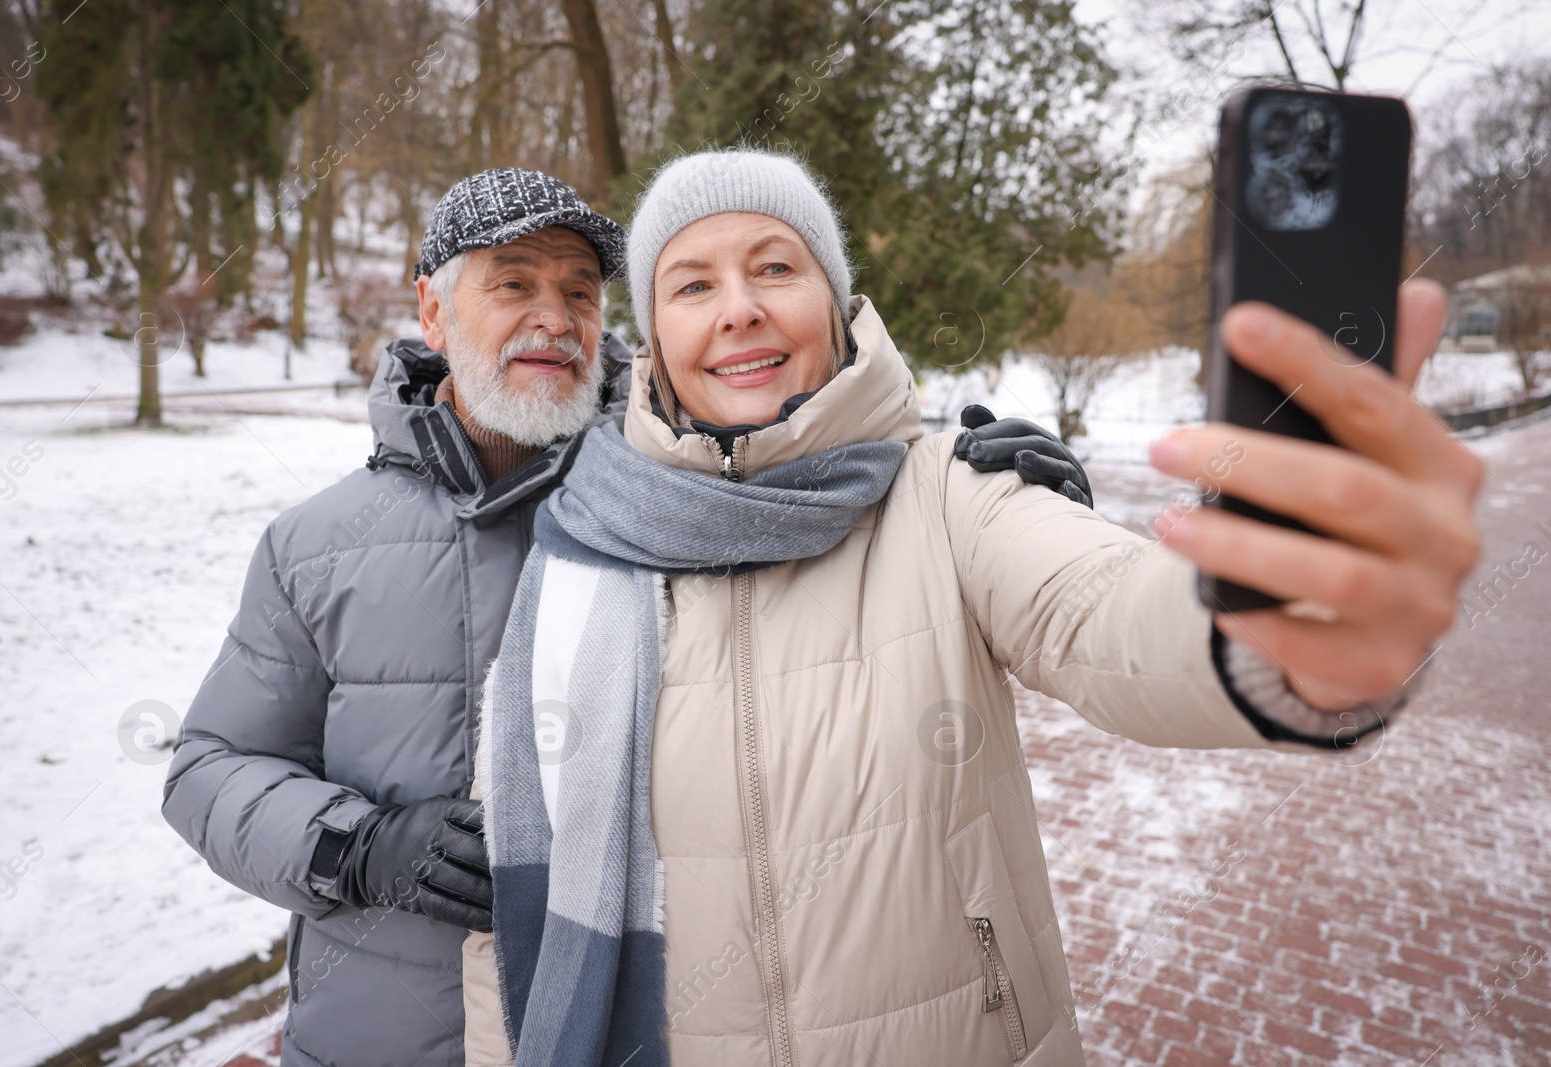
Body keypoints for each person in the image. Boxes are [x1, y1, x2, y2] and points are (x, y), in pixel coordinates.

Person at [462, 150, 1481, 1067]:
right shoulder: (582, 543)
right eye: (691, 283)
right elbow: (515, 920)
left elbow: (1112, 612)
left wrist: (1287, 624)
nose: (737, 308)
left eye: (775, 266)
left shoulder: (948, 490)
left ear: (837, 298)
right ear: (654, 333)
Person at [162, 165, 1083, 1067]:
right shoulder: (314, 545)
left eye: (579, 291)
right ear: (433, 313)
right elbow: (206, 768)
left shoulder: (681, 500)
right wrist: (355, 846)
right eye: (513, 285)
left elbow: (810, 459)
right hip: (379, 1032)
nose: (555, 319)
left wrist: (954, 470)